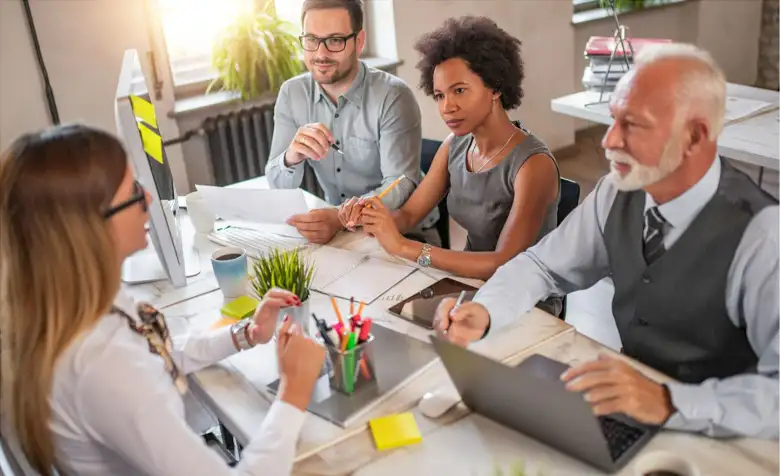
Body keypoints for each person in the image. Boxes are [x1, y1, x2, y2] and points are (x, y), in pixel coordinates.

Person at [433, 43, 779, 439]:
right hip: (630, 411)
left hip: (728, 433)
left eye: (633, 124)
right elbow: (543, 266)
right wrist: (487, 310)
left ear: (695, 137)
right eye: (613, 119)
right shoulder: (617, 191)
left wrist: (670, 402)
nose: (608, 141)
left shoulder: (763, 235)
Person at [0, 124, 326, 475]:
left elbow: (157, 353)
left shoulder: (79, 309)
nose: (150, 200)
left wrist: (246, 333)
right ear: (92, 227)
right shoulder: (104, 366)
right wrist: (294, 390)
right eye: (135, 192)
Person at [341, 16, 560, 283]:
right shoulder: (455, 146)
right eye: (440, 95)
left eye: (459, 90)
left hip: (524, 296)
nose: (447, 107)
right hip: (467, 282)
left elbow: (502, 263)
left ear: (496, 87)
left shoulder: (533, 165)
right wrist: (370, 217)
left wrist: (404, 247)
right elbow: (409, 215)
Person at [265, 0, 438, 244]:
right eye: (312, 40)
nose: (321, 54)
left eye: (335, 40)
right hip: (342, 236)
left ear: (358, 42)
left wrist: (339, 217)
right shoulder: (291, 94)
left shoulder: (393, 96)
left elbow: (400, 186)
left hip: (404, 231)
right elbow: (278, 186)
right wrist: (291, 157)